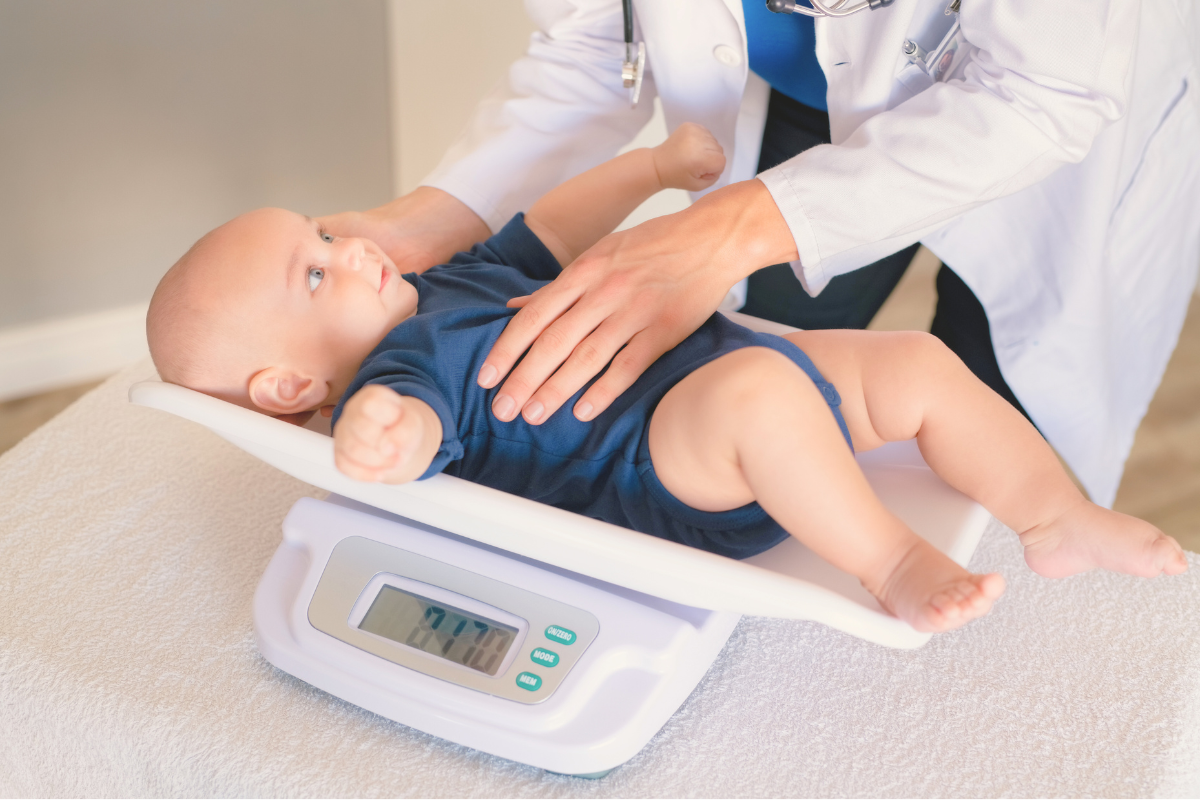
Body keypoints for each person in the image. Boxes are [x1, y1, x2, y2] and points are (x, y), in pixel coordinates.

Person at [146, 124, 1186, 635]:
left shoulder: (443, 283)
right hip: (664, 467)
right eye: (316, 270)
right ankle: (891, 562)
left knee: (917, 360)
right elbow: (412, 432)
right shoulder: (402, 365)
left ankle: (1053, 513)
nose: (352, 245)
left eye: (324, 229)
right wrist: (379, 429)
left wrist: (647, 171)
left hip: (715, 366)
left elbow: (547, 229)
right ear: (288, 388)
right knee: (762, 401)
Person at [319, 0, 1200, 510]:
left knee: (1006, 443)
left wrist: (726, 223)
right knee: (780, 398)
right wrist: (433, 216)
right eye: (308, 262)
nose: (326, 257)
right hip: (797, 89)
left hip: (1057, 130)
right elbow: (595, 43)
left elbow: (1042, 95)